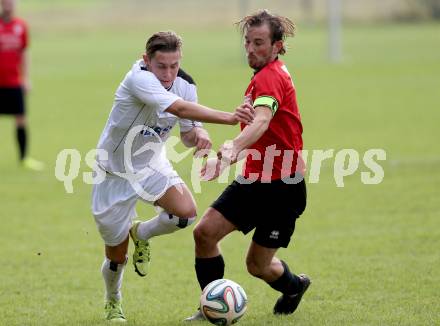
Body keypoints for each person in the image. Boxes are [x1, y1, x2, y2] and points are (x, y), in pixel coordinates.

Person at [92, 31, 254, 322]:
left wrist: (201, 134)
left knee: (185, 214)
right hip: (114, 173)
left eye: (174, 65)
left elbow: (188, 132)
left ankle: (140, 233)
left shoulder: (185, 85)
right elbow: (177, 108)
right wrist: (230, 118)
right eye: (161, 66)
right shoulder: (138, 79)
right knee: (116, 256)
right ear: (146, 61)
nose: (168, 73)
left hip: (151, 165)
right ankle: (113, 299)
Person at [186, 10, 310, 321]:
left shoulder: (271, 77)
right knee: (204, 233)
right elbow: (262, 132)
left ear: (277, 45)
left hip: (283, 188)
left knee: (258, 266)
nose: (250, 49)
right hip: (255, 180)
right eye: (247, 42)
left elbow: (263, 122)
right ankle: (211, 307)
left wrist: (232, 148)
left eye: (259, 43)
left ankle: (294, 286)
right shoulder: (264, 76)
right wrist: (224, 161)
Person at [0, 0, 44, 170]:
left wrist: (25, 78)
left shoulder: (21, 26)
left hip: (13, 82)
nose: (9, 5)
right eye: (6, 2)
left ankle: (24, 158)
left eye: (12, 2)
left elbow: (24, 53)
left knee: (21, 119)